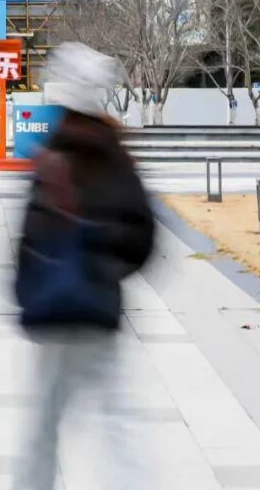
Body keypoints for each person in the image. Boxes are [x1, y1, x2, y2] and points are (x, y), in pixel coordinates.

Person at [13, 42, 155, 490]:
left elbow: (28, 238)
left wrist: (25, 290)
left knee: (44, 424)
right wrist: (106, 271)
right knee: (116, 423)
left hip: (53, 310)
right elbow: (144, 235)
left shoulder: (52, 154)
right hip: (99, 307)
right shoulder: (115, 155)